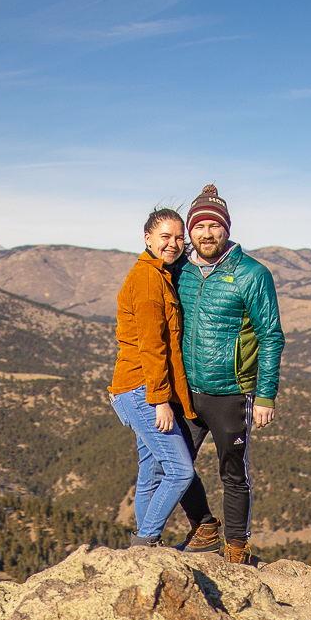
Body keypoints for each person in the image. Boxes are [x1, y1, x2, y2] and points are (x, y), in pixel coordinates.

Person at [173, 183, 284, 566]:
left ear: (227, 229)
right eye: (199, 227)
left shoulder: (251, 274)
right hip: (186, 390)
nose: (207, 234)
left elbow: (271, 335)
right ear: (190, 232)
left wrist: (265, 395)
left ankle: (236, 547)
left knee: (233, 472)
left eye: (214, 226)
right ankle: (204, 525)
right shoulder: (180, 271)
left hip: (231, 392)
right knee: (174, 465)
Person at [107, 207, 200, 546]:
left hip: (134, 387)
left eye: (178, 238)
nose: (173, 243)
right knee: (180, 471)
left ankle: (144, 547)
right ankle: (146, 540)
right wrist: (160, 400)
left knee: (152, 470)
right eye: (165, 237)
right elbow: (152, 346)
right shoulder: (148, 280)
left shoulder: (159, 274)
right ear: (147, 238)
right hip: (142, 389)